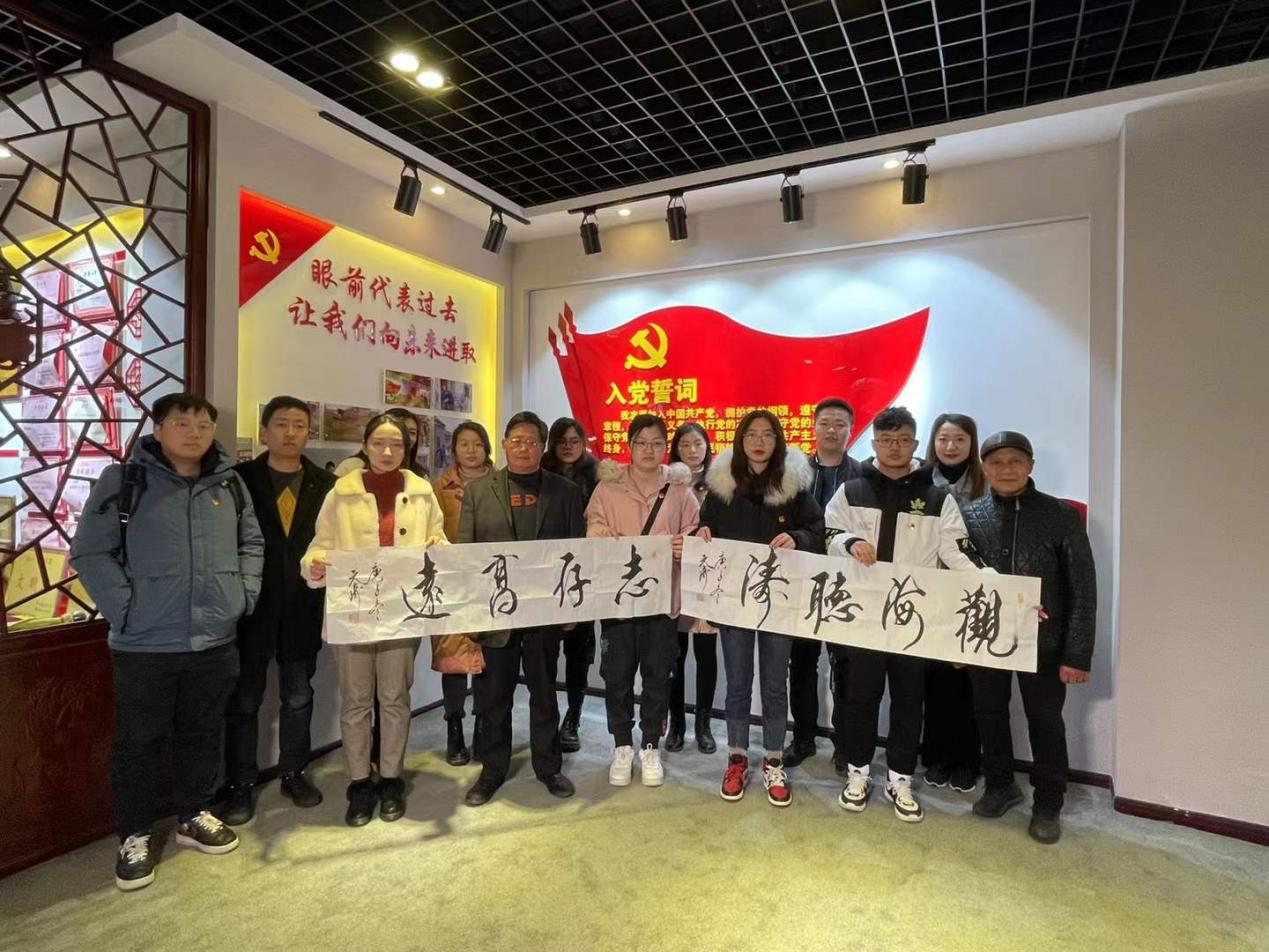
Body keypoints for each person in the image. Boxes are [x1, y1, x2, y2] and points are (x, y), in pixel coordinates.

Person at [71, 393, 264, 892]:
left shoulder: (230, 483)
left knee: (202, 731)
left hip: (215, 637)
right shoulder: (125, 481)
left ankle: (193, 812)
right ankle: (134, 833)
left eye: (203, 425)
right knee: (138, 741)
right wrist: (127, 609)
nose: (195, 433)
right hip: (144, 643)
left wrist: (242, 596)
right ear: (158, 430)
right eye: (182, 423)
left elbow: (251, 543)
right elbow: (89, 551)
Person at [825, 406, 983, 823]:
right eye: (886, 440)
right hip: (862, 618)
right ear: (874, 443)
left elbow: (958, 552)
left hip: (914, 621)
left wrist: (998, 586)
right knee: (860, 698)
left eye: (902, 440)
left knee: (909, 702)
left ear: (914, 444)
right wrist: (849, 542)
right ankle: (858, 773)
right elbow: (829, 533)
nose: (894, 448)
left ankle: (900, 777)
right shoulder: (852, 490)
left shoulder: (937, 498)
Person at [301, 413, 448, 827]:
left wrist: (438, 545)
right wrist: (315, 565)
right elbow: (317, 547)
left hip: (401, 610)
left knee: (395, 698)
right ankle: (359, 782)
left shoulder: (421, 492)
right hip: (355, 612)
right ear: (365, 446)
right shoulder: (342, 492)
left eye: (397, 444)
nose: (387, 451)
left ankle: (391, 778)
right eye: (379, 443)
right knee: (356, 700)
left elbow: (439, 539)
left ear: (407, 449)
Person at [961, 431, 1096, 844]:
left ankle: (1048, 802)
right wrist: (956, 643)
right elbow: (955, 579)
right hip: (985, 636)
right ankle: (1000, 785)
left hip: (1045, 641)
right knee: (989, 714)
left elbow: (1083, 588)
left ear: (1030, 466)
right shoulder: (970, 514)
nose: (1006, 469)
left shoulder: (1060, 515)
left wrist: (1076, 655)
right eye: (997, 462)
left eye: (1015, 461)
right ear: (984, 467)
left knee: (1045, 722)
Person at [459, 411, 585, 806]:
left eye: (532, 441)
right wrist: (470, 610)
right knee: (494, 698)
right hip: (496, 613)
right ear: (504, 444)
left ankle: (548, 767)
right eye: (516, 440)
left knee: (544, 695)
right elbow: (466, 554)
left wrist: (572, 609)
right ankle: (492, 770)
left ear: (543, 447)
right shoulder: (479, 492)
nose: (524, 448)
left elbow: (577, 553)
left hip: (545, 613)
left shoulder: (565, 492)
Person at [698, 410, 824, 807]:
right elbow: (705, 528)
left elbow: (817, 531)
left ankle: (773, 759)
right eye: (751, 434)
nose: (759, 441)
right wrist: (702, 532)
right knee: (737, 683)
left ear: (778, 441)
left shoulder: (793, 485)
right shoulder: (722, 486)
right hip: (734, 601)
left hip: (778, 602)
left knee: (773, 683)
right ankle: (736, 757)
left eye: (767, 434)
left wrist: (798, 537)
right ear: (740, 440)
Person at [220, 397, 334, 825]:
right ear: (264, 431)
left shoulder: (327, 484)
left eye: (299, 425)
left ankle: (294, 773)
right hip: (251, 608)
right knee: (244, 702)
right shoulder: (238, 480)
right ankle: (240, 784)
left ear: (308, 433)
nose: (290, 432)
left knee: (298, 697)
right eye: (282, 424)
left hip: (304, 606)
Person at [587, 414, 699, 787]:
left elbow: (695, 531)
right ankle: (622, 745)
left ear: (665, 447)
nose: (648, 450)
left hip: (661, 600)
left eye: (656, 443)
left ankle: (650, 745)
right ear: (629, 445)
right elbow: (593, 527)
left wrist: (687, 544)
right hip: (617, 599)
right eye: (641, 443)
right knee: (616, 675)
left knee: (657, 675)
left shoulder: (679, 489)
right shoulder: (608, 488)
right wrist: (604, 536)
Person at [785, 397, 863, 771]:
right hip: (801, 580)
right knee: (801, 664)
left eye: (840, 424)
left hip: (847, 583)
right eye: (825, 423)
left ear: (851, 430)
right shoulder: (794, 473)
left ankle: (845, 743)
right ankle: (803, 737)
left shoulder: (862, 476)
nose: (832, 430)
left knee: (845, 667)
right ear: (813, 427)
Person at [921, 413, 989, 794]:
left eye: (960, 439)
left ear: (971, 443)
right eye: (943, 439)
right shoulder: (919, 481)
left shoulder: (986, 483)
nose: (950, 446)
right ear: (933, 442)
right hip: (928, 594)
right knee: (934, 680)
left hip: (971, 593)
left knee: (970, 682)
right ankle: (936, 755)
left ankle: (967, 760)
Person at [430, 421, 494, 766]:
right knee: (453, 661)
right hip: (452, 584)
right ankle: (454, 727)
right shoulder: (439, 488)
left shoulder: (501, 483)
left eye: (477, 444)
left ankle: (484, 725)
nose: (471, 450)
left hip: (492, 582)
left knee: (489, 660)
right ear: (454, 450)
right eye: (464, 444)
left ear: (487, 448)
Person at [542, 415, 599, 753]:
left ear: (583, 443)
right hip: (546, 571)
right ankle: (546, 717)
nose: (568, 446)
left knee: (579, 652)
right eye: (562, 441)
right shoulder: (539, 472)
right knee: (545, 651)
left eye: (574, 441)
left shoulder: (598, 476)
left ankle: (573, 717)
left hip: (583, 572)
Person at [667, 422, 719, 753]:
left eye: (698, 444)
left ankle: (704, 724)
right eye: (685, 444)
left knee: (706, 654)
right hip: (674, 574)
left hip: (708, 577)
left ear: (707, 447)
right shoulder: (667, 483)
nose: (692, 450)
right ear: (676, 449)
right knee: (675, 654)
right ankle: (676, 723)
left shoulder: (721, 483)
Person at [334, 407, 428, 479]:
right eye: (399, 430)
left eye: (412, 432)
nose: (405, 437)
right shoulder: (351, 467)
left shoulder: (419, 473)